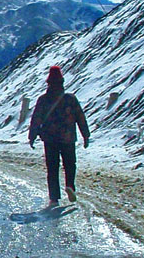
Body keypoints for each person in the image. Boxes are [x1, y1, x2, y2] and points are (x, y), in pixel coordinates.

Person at [28, 65, 90, 208]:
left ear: (48, 83)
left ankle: (54, 198)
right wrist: (85, 136)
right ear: (62, 82)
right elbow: (80, 118)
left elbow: (36, 119)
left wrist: (32, 136)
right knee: (70, 164)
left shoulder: (43, 100)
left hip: (49, 139)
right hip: (68, 137)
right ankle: (70, 186)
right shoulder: (70, 99)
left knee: (52, 168)